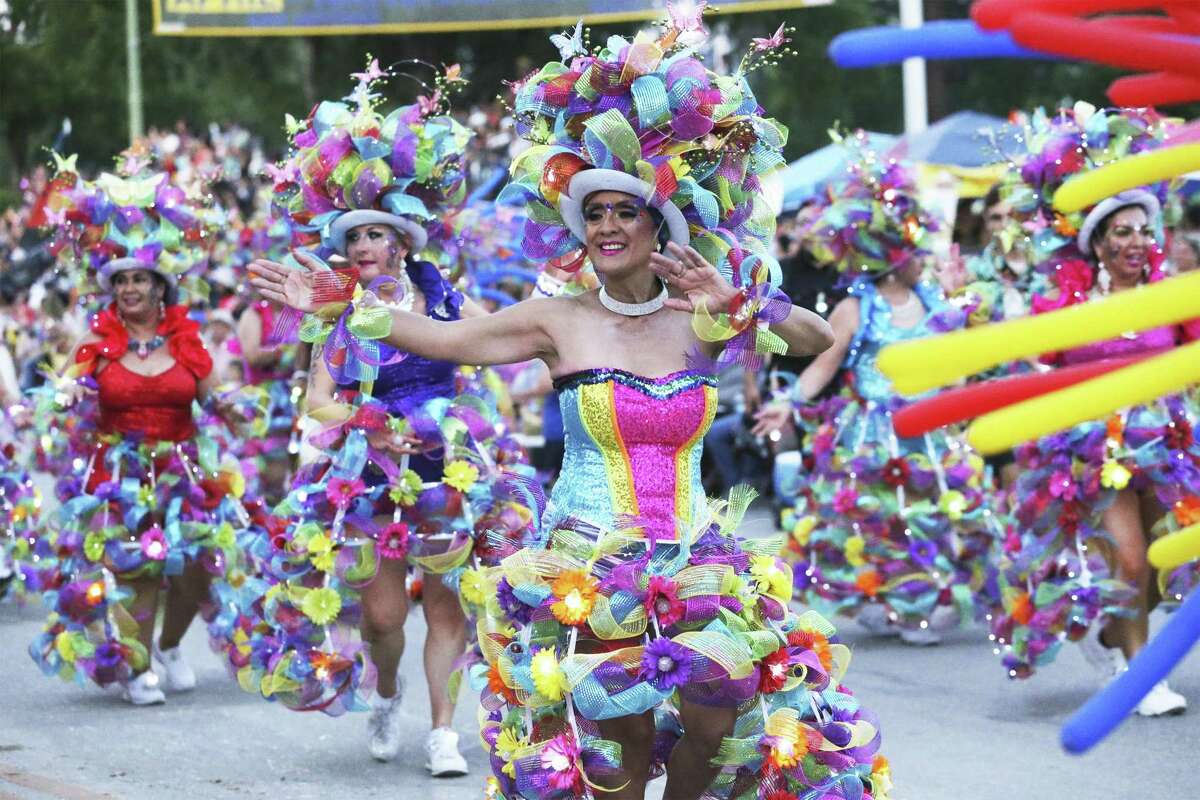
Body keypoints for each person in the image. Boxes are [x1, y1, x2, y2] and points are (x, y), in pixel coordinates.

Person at [253, 17, 892, 800]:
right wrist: (347, 303)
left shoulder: (703, 317)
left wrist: (746, 301)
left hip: (696, 557)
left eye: (625, 211)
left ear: (660, 223)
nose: (608, 226)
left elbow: (816, 336)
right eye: (594, 215)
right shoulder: (559, 320)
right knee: (616, 743)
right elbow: (449, 340)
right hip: (590, 560)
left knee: (716, 722)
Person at [231, 65, 531, 777]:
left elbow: (498, 345)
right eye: (353, 236)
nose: (363, 246)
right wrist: (368, 420)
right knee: (384, 619)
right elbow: (317, 403)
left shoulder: (447, 303)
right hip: (370, 478)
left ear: (402, 243)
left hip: (447, 472)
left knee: (452, 611)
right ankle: (388, 691)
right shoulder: (342, 321)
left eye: (376, 234)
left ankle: (443, 734)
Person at [985, 107, 1200, 718]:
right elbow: (1030, 367)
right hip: (1092, 455)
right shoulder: (1064, 305)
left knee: (1165, 562)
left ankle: (1115, 635)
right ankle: (1140, 674)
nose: (1136, 242)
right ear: (1097, 243)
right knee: (1130, 557)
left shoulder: (1172, 297)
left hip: (1167, 447)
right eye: (1122, 232)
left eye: (1143, 231)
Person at [753, 138, 995, 647]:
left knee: (931, 514)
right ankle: (889, 602)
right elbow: (825, 364)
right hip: (870, 433)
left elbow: (951, 362)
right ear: (893, 256)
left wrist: (963, 403)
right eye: (914, 250)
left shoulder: (933, 300)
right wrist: (787, 406)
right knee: (879, 518)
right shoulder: (855, 307)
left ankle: (920, 601)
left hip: (927, 427)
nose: (921, 258)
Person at [25, 164, 250, 705]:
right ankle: (137, 663)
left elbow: (213, 396)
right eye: (121, 280)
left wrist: (235, 409)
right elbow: (64, 391)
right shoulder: (96, 343)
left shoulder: (188, 342)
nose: (129, 288)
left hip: (182, 468)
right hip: (117, 472)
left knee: (199, 569)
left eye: (139, 279)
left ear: (159, 288)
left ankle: (169, 646)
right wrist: (67, 397)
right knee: (139, 565)